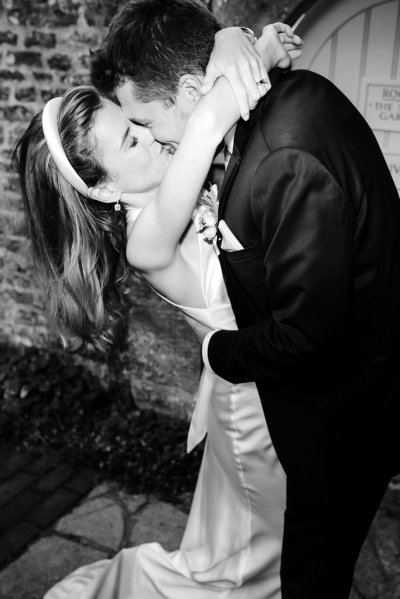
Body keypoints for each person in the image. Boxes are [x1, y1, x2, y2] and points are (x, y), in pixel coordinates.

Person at [89, 1, 400, 598]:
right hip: (303, 393)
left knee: (310, 573)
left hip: (338, 411)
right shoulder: (296, 94)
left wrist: (219, 352)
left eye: (145, 121)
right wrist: (238, 41)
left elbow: (310, 334)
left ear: (188, 91)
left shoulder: (281, 156)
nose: (153, 138)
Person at [14, 20, 302, 599]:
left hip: (257, 384)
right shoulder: (146, 240)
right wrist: (252, 46)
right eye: (133, 140)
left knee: (260, 541)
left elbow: (198, 111)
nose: (154, 137)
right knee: (254, 559)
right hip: (254, 404)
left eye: (138, 124)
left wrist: (224, 41)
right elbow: (208, 120)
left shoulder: (177, 186)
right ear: (101, 190)